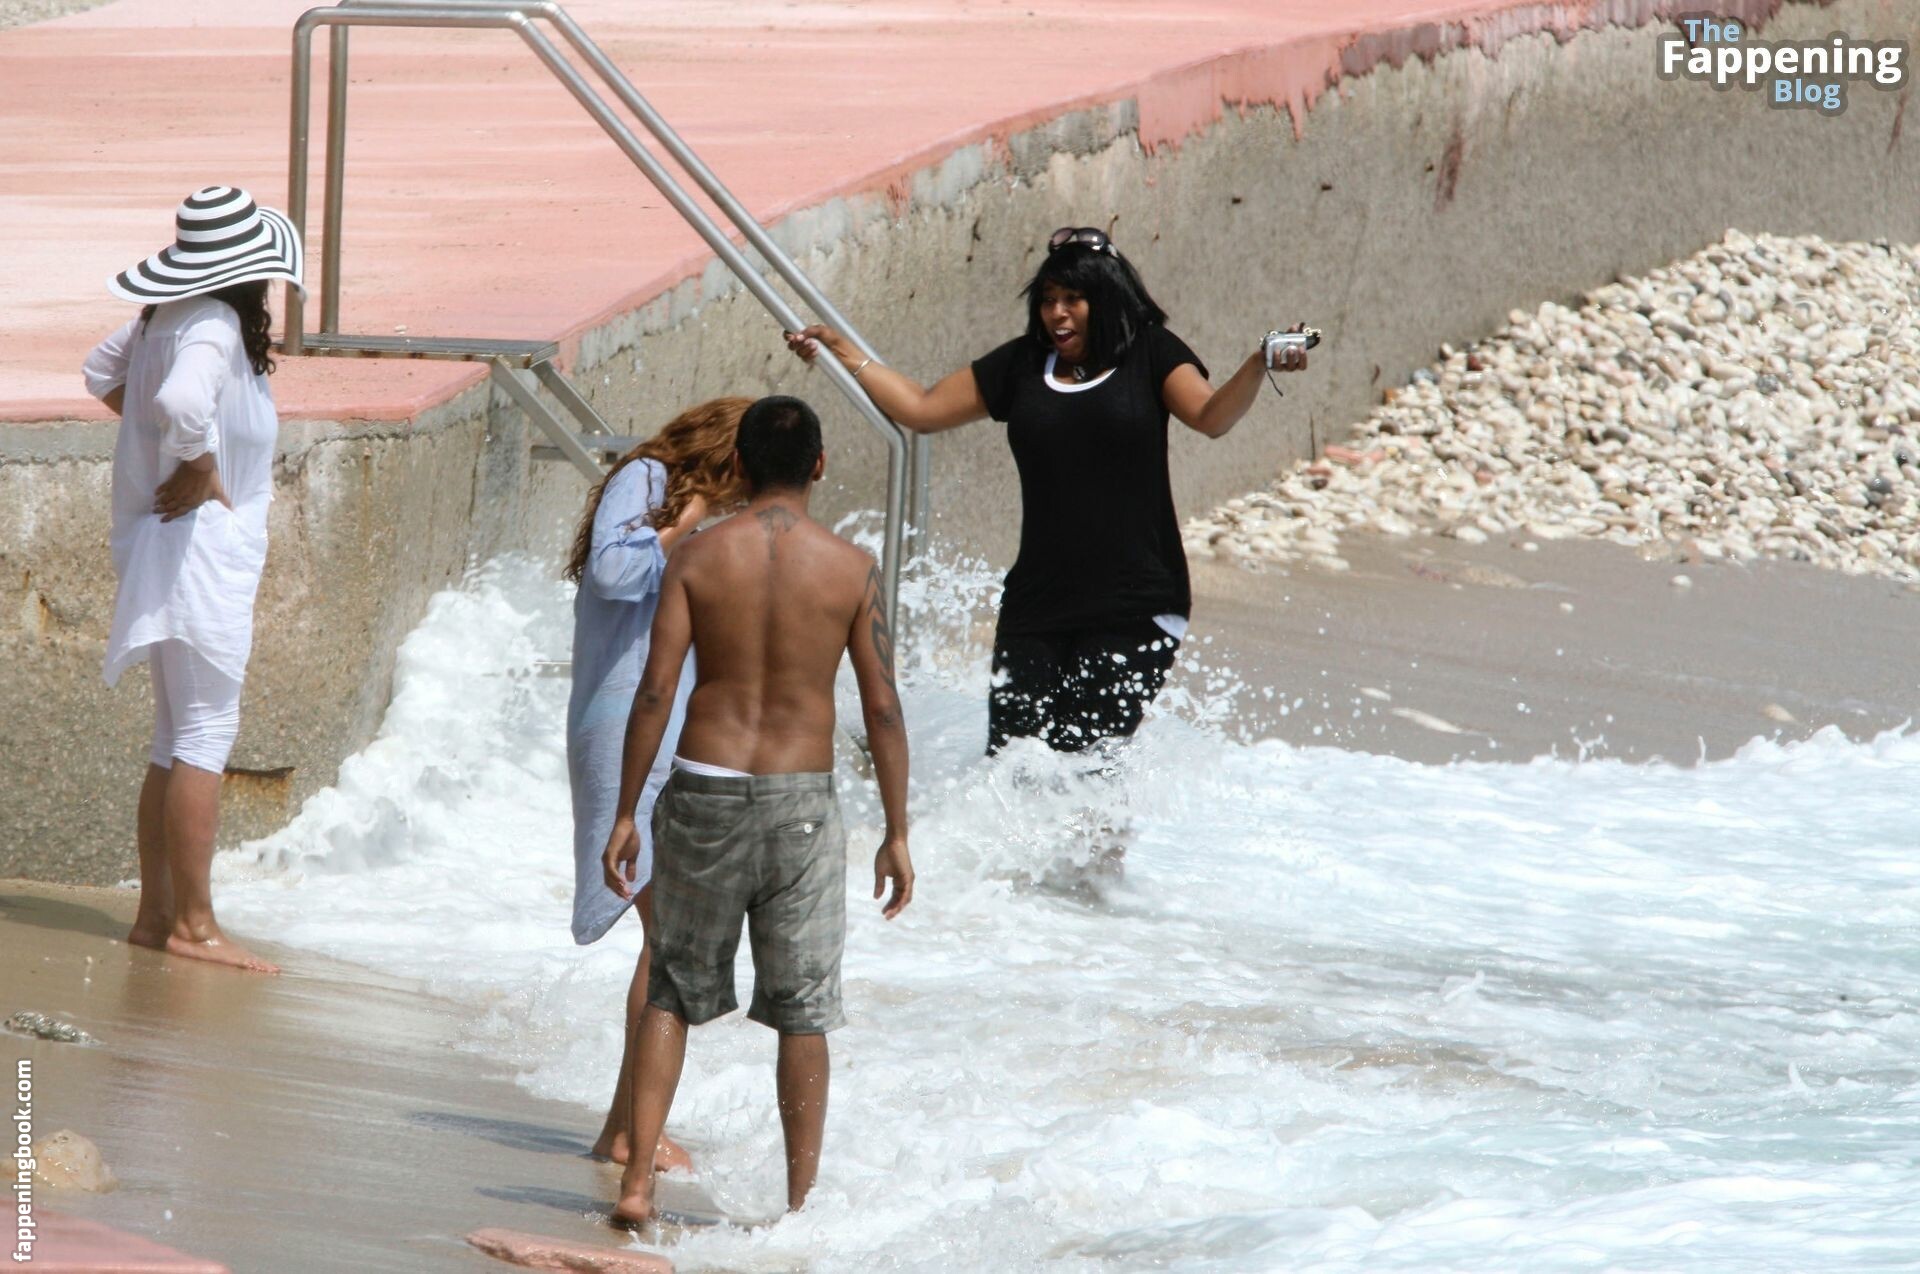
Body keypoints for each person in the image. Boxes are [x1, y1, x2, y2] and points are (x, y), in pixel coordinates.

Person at [787, 224, 1308, 756]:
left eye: (1073, 299)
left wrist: (1257, 363)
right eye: (1047, 300)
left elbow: (1211, 416)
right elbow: (921, 408)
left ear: (1105, 298)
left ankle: (1115, 818)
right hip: (1036, 603)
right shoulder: (1024, 364)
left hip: (1135, 604)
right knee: (1012, 764)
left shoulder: (1151, 352)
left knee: (1085, 769)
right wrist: (841, 352)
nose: (1057, 314)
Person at [598, 395, 912, 1227]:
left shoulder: (698, 557)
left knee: (671, 991)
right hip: (800, 800)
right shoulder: (851, 568)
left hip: (703, 786)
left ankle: (638, 1184)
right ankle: (800, 1206)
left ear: (736, 465)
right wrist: (897, 830)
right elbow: (882, 707)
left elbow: (656, 690)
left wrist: (626, 812)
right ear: (819, 465)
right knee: (803, 1009)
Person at [81, 185, 305, 974]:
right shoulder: (212, 324)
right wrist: (196, 462)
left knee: (175, 736)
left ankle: (157, 917)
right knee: (206, 733)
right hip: (200, 551)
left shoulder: (164, 317)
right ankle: (196, 926)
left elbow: (98, 371)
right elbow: (180, 400)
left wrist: (161, 448)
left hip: (166, 544)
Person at [562, 396, 750, 1169]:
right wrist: (692, 513)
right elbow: (613, 572)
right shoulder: (646, 478)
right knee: (669, 937)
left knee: (668, 939)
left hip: (667, 729)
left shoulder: (692, 511)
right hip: (622, 724)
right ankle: (632, 1131)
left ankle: (624, 1127)